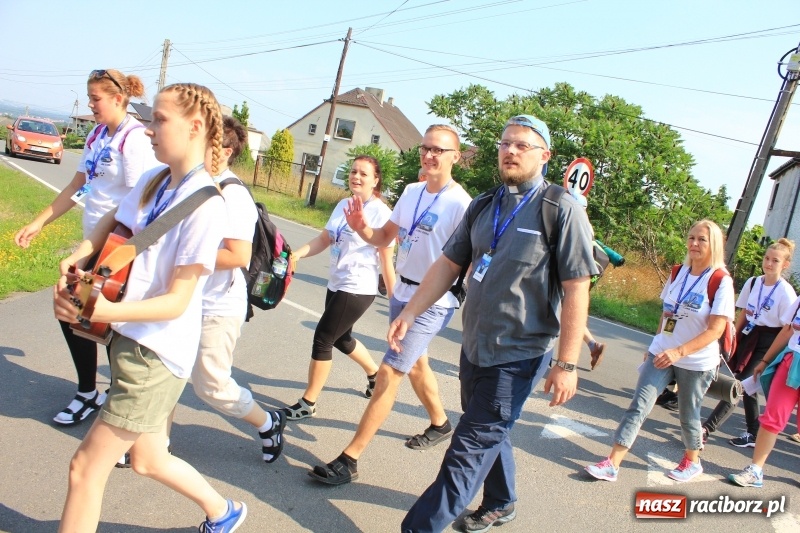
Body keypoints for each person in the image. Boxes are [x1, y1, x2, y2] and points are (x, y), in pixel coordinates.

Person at [53, 83, 246, 532]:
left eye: (159, 120)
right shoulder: (155, 178)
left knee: (84, 469)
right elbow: (116, 221)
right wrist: (80, 252)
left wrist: (97, 312)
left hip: (155, 356)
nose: (148, 129)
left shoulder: (206, 204)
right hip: (128, 339)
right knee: (148, 459)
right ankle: (225, 513)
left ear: (195, 127)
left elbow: (178, 302)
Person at [394, 115, 597, 533]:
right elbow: (449, 264)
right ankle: (502, 501)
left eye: (522, 145)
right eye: (506, 143)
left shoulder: (560, 209)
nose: (510, 151)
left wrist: (568, 363)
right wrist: (412, 311)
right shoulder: (484, 205)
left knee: (468, 447)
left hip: (519, 356)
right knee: (486, 426)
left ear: (545, 155)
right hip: (475, 347)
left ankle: (418, 528)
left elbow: (577, 289)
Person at [307, 124, 472, 486]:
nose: (429, 155)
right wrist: (361, 227)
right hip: (402, 293)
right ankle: (441, 423)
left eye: (439, 151)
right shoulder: (412, 192)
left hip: (433, 298)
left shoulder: (461, 204)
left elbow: (472, 260)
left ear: (454, 157)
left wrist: (464, 295)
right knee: (415, 365)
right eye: (426, 148)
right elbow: (384, 238)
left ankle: (349, 460)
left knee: (389, 371)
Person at [117, 116, 286, 469]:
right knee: (167, 370)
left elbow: (238, 255)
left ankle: (268, 422)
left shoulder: (232, 193)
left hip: (218, 305)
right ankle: (154, 442)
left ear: (224, 152)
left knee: (211, 386)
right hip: (184, 298)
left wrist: (182, 253)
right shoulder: (186, 183)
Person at [15, 69, 159, 426]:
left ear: (117, 99)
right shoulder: (97, 135)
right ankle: (90, 392)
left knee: (99, 318)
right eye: (90, 97)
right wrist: (38, 222)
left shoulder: (134, 139)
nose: (91, 105)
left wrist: (97, 252)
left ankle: (114, 397)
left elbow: (137, 200)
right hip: (93, 241)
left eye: (95, 98)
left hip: (117, 247)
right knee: (74, 313)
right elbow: (78, 186)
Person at [586, 219, 734, 485]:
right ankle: (612, 463)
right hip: (663, 353)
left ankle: (693, 461)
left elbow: (715, 331)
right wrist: (655, 344)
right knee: (638, 406)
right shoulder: (678, 273)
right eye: (691, 238)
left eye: (702, 239)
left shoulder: (720, 281)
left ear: (714, 245)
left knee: (688, 415)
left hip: (697, 361)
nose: (694, 244)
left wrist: (679, 352)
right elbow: (667, 313)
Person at [281, 155, 395, 419]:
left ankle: (308, 402)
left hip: (358, 287)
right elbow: (325, 238)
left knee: (323, 338)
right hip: (337, 282)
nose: (356, 176)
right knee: (342, 339)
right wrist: (296, 255)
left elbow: (387, 261)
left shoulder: (381, 213)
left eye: (363, 174)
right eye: (353, 171)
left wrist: (395, 302)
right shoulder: (343, 204)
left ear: (375, 180)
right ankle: (375, 375)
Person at [702, 239, 796, 448]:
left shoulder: (785, 292)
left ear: (785, 265)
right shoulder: (754, 282)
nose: (769, 264)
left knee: (740, 384)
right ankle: (753, 432)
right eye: (767, 258)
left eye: (775, 260)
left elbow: (786, 329)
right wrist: (731, 338)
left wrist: (768, 358)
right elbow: (744, 312)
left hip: (769, 341)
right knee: (747, 385)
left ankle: (706, 428)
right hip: (748, 336)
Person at [729, 287, 800, 488]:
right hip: (791, 360)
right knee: (772, 417)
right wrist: (766, 360)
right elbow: (787, 330)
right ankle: (755, 470)